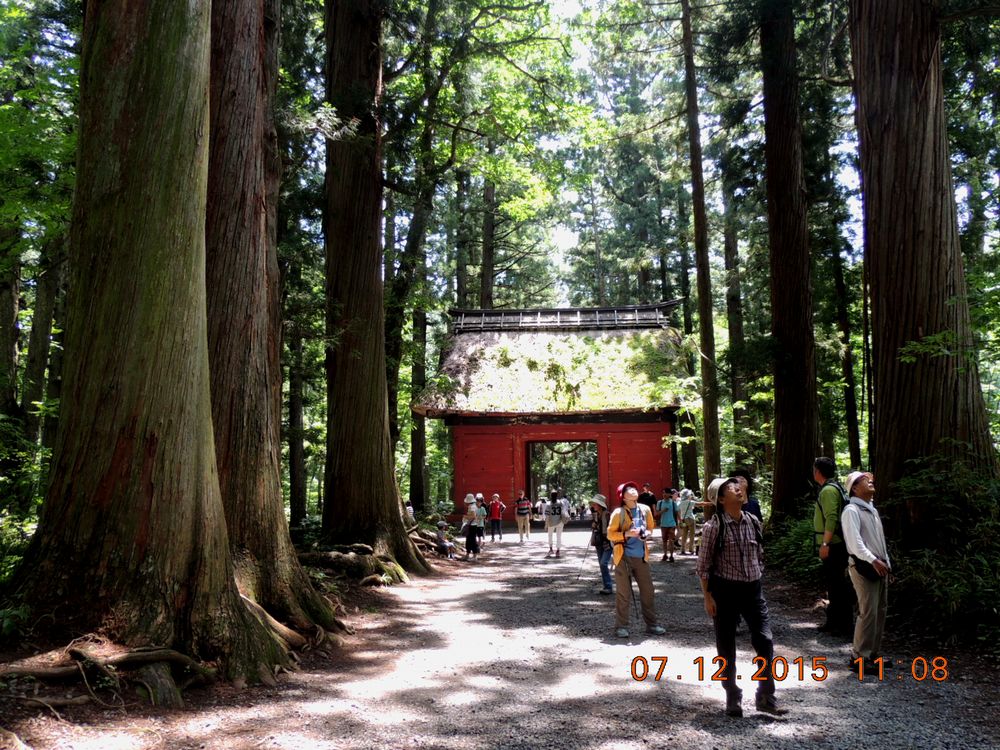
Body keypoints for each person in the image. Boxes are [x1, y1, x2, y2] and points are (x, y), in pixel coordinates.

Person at [697, 477, 781, 717]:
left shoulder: (753, 521)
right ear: (721, 499)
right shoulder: (713, 528)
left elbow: (759, 553)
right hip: (725, 591)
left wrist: (758, 574)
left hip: (753, 590)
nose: (738, 489)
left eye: (738, 486)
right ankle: (732, 695)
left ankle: (766, 696)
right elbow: (703, 566)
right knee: (726, 645)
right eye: (730, 488)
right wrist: (707, 597)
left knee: (764, 640)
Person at [842, 471, 891, 671]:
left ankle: (873, 654)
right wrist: (873, 560)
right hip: (864, 567)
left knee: (880, 610)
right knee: (868, 611)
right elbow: (855, 544)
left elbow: (880, 542)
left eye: (871, 479)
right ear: (854, 488)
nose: (870, 481)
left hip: (879, 567)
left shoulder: (872, 510)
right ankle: (859, 657)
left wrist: (887, 564)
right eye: (864, 480)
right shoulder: (851, 511)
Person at [607, 482, 666, 638]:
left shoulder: (645, 509)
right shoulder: (618, 513)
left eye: (634, 488)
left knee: (648, 592)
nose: (633, 490)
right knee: (623, 593)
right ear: (623, 496)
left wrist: (645, 534)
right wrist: (626, 534)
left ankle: (652, 624)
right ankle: (621, 626)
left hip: (641, 557)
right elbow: (610, 534)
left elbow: (651, 529)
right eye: (628, 490)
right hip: (623, 557)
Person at [812, 457, 854, 639]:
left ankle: (843, 626)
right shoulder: (833, 488)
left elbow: (831, 518)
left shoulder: (828, 490)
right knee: (834, 585)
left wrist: (825, 544)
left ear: (818, 471)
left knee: (838, 586)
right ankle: (833, 622)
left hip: (834, 545)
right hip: (835, 543)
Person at [590, 493, 613, 594]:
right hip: (599, 542)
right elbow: (596, 528)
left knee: (603, 563)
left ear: (600, 505)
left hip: (607, 542)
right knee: (601, 564)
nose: (593, 505)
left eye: (595, 504)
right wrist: (594, 525)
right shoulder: (596, 515)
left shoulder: (607, 515)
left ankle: (608, 586)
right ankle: (606, 586)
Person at [655, 488, 679, 562]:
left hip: (672, 524)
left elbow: (677, 513)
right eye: (663, 493)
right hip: (663, 524)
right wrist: (663, 510)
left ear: (670, 494)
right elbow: (656, 514)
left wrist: (680, 521)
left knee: (671, 541)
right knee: (664, 541)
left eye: (666, 493)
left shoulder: (673, 503)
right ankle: (665, 555)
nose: (664, 494)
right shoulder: (660, 503)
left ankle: (671, 556)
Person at [544, 490, 569, 558]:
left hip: (551, 522)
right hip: (560, 522)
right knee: (559, 536)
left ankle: (551, 549)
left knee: (550, 535)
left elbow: (547, 515)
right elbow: (564, 512)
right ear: (557, 495)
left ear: (551, 496)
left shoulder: (548, 504)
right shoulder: (561, 503)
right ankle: (558, 551)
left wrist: (546, 525)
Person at [676, 488, 697, 555]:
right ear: (688, 495)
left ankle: (682, 549)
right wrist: (710, 503)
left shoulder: (679, 503)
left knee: (684, 535)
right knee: (692, 534)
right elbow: (701, 503)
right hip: (690, 519)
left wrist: (680, 519)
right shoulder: (690, 502)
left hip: (683, 520)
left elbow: (677, 511)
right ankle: (691, 549)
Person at [462, 494, 480, 561]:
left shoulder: (472, 507)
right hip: (472, 525)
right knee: (469, 540)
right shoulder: (474, 506)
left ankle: (474, 556)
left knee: (472, 540)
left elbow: (473, 516)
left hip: (472, 525)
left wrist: (465, 516)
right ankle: (468, 554)